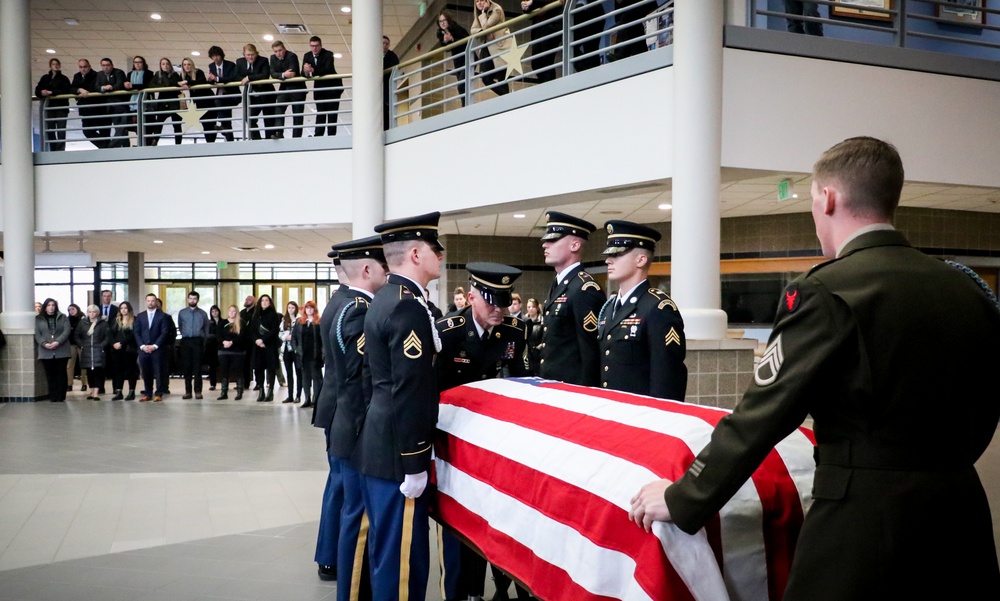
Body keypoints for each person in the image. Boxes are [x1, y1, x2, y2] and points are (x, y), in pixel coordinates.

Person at [630, 137, 1000, 599]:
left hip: (863, 522)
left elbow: (761, 418)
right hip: (962, 513)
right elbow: (988, 405)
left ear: (828, 198)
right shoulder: (969, 291)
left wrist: (683, 497)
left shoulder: (826, 291)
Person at [355, 212, 444, 601]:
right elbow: (409, 389)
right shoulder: (407, 307)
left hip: (381, 441)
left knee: (387, 552)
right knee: (402, 561)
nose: (440, 255)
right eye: (434, 249)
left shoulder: (387, 297)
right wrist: (415, 462)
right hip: (398, 451)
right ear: (415, 254)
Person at [435, 262, 529, 601]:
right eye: (491, 301)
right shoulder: (449, 332)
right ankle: (463, 593)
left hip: (499, 446)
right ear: (471, 296)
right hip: (457, 445)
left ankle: (501, 586)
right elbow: (434, 391)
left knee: (499, 519)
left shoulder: (515, 332)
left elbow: (526, 386)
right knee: (460, 523)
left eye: (503, 302)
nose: (499, 310)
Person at [325, 236, 388, 596]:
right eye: (383, 266)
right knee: (358, 515)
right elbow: (359, 379)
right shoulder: (359, 311)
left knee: (352, 510)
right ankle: (350, 590)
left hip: (344, 421)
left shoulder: (342, 304)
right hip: (356, 426)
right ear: (367, 269)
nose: (388, 272)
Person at [598, 220, 686, 399]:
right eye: (609, 255)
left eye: (617, 254)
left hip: (641, 416)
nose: (608, 260)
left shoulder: (658, 308)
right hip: (610, 410)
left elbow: (667, 378)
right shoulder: (609, 308)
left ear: (641, 260)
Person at [312, 249, 355, 582]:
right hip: (343, 406)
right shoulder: (350, 305)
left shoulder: (337, 301)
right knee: (341, 484)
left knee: (337, 483)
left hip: (334, 404)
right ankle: (330, 556)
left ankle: (329, 554)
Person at [539, 211, 605, 386]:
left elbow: (590, 352)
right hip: (553, 385)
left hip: (572, 389)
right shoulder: (559, 284)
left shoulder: (584, 289)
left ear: (575, 245)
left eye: (553, 240)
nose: (545, 245)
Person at [302, 36, 343, 137]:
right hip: (320, 88)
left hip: (333, 87)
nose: (314, 48)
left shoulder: (328, 54)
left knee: (332, 113)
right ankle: (318, 135)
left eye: (316, 46)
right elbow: (302, 73)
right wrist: (306, 71)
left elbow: (327, 70)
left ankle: (331, 136)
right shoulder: (307, 55)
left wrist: (312, 70)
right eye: (312, 46)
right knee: (320, 112)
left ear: (321, 46)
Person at [134, 293, 170, 402]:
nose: (151, 303)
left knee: (158, 371)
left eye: (153, 301)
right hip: (143, 349)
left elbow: (164, 332)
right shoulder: (140, 316)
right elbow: (136, 332)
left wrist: (154, 346)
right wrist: (142, 346)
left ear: (156, 302)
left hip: (157, 349)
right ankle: (148, 393)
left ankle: (158, 393)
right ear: (146, 302)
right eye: (148, 301)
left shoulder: (163, 316)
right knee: (146, 372)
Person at [470, 0, 510, 96]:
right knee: (486, 78)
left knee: (502, 77)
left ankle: (507, 100)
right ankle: (507, 97)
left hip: (500, 46)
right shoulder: (479, 15)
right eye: (476, 1)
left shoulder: (496, 10)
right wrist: (482, 31)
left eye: (481, 0)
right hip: (487, 47)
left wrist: (484, 14)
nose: (479, 3)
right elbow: (472, 30)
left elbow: (487, 25)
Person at [234, 44, 274, 140]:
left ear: (256, 53)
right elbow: (236, 76)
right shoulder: (240, 62)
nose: (250, 57)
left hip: (266, 93)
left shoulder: (263, 60)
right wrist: (249, 78)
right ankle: (257, 140)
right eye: (248, 55)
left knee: (268, 119)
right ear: (244, 54)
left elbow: (264, 75)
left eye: (253, 54)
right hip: (250, 94)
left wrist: (248, 78)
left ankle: (269, 141)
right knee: (249, 117)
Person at [35, 298, 71, 402]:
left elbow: (66, 331)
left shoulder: (63, 317)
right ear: (45, 307)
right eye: (49, 305)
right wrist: (45, 344)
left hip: (61, 350)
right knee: (50, 374)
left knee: (61, 373)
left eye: (53, 305)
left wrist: (57, 342)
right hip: (46, 351)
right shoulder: (38, 318)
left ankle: (61, 395)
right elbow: (37, 334)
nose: (51, 307)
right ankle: (53, 395)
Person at [269, 40, 306, 139]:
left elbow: (292, 73)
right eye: (275, 51)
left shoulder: (291, 56)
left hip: (297, 88)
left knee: (297, 114)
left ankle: (296, 137)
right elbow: (272, 74)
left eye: (280, 50)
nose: (278, 53)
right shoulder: (272, 58)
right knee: (279, 108)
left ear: (284, 49)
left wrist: (280, 74)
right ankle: (279, 132)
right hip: (284, 87)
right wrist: (283, 74)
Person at [35, 57, 72, 151]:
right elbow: (37, 90)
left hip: (61, 107)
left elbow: (66, 90)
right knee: (50, 129)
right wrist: (42, 92)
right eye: (53, 64)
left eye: (57, 64)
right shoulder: (45, 78)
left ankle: (60, 150)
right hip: (49, 107)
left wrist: (52, 92)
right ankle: (53, 148)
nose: (55, 66)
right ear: (50, 66)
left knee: (60, 130)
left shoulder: (64, 79)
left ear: (59, 66)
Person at [177, 291, 209, 399]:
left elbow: (206, 329)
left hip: (198, 341)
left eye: (194, 299)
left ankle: (198, 391)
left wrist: (202, 340)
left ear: (198, 300)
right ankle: (188, 391)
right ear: (187, 299)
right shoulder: (182, 313)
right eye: (190, 298)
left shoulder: (203, 314)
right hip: (186, 341)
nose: (192, 300)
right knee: (187, 367)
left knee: (197, 368)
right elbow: (181, 327)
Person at [250, 294, 281, 401]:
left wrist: (263, 340)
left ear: (270, 302)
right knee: (258, 369)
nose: (264, 302)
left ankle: (270, 392)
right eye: (262, 300)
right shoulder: (255, 315)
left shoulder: (274, 315)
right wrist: (257, 340)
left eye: (266, 300)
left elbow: (274, 330)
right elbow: (252, 331)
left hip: (270, 345)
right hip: (258, 346)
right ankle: (261, 391)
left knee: (271, 369)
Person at [72, 59, 109, 149]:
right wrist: (79, 89)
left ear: (89, 66)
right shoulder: (77, 76)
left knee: (104, 132)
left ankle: (108, 148)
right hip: (86, 110)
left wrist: (84, 90)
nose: (83, 69)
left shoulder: (96, 75)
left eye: (85, 67)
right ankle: (108, 147)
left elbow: (95, 88)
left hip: (99, 109)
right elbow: (71, 88)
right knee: (88, 132)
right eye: (81, 67)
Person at [520, 0, 561, 83]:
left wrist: (532, 2)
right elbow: (531, 12)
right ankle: (546, 86)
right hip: (538, 27)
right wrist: (525, 7)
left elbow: (547, 3)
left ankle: (550, 88)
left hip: (551, 26)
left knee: (547, 60)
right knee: (535, 63)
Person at [292, 300, 323, 408]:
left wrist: (323, 354)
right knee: (305, 378)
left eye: (311, 308)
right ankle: (307, 398)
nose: (309, 310)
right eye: (307, 308)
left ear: (314, 309)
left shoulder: (319, 322)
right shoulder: (299, 322)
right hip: (303, 355)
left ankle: (316, 399)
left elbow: (322, 340)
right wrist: (296, 349)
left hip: (315, 354)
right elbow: (294, 338)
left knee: (316, 377)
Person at [436, 12, 470, 105]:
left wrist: (452, 40)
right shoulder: (441, 33)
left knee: (461, 85)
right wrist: (446, 41)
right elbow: (445, 48)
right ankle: (466, 105)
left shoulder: (456, 28)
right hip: (458, 60)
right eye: (440, 21)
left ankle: (466, 107)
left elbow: (467, 40)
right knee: (462, 85)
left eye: (444, 20)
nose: (442, 23)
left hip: (467, 58)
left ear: (448, 20)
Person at [77, 305, 110, 401]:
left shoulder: (103, 323)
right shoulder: (82, 323)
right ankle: (91, 390)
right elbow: (77, 335)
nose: (92, 314)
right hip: (87, 350)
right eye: (90, 312)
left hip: (98, 350)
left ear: (97, 313)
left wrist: (101, 345)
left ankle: (96, 392)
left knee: (98, 372)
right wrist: (81, 345)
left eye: (94, 312)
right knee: (89, 372)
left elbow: (107, 337)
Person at [178, 58, 216, 142]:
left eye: (188, 64)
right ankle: (209, 143)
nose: (187, 66)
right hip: (198, 103)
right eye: (184, 65)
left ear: (192, 65)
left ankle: (212, 143)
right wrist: (182, 83)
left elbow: (200, 81)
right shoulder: (183, 76)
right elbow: (177, 82)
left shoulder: (198, 72)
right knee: (205, 125)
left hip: (208, 100)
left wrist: (187, 82)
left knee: (211, 123)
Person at [96, 57, 131, 147]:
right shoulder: (99, 75)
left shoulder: (119, 72)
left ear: (112, 65)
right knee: (106, 130)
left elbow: (119, 85)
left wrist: (110, 87)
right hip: (106, 107)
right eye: (103, 65)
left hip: (119, 106)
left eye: (107, 65)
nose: (106, 67)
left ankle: (114, 146)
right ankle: (111, 147)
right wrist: (103, 88)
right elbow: (96, 86)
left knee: (121, 130)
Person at [108, 301, 139, 400]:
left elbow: (134, 334)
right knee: (118, 371)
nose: (123, 310)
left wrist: (121, 343)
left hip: (129, 349)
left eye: (125, 308)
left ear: (129, 309)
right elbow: (110, 334)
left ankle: (131, 391)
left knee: (131, 371)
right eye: (121, 308)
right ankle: (118, 391)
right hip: (116, 350)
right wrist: (114, 343)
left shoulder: (135, 320)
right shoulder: (115, 320)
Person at [205, 46, 238, 141]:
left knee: (218, 102)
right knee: (226, 118)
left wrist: (217, 79)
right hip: (221, 94)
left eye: (217, 55)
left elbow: (231, 78)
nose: (215, 58)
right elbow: (213, 81)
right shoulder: (211, 66)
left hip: (231, 94)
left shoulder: (230, 65)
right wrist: (210, 79)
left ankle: (224, 127)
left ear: (221, 55)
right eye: (213, 56)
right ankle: (228, 135)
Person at [149, 57, 183, 145]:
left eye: (167, 64)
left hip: (174, 103)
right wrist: (163, 87)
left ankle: (178, 144)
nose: (165, 66)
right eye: (163, 64)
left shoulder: (175, 75)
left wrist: (163, 84)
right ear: (160, 66)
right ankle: (155, 141)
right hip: (162, 103)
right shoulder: (157, 75)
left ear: (170, 65)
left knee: (177, 125)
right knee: (159, 122)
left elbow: (170, 84)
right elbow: (151, 85)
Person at [217, 305, 248, 400]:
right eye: (230, 310)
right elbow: (218, 335)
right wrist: (223, 342)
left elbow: (243, 336)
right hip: (224, 351)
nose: (231, 312)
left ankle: (239, 392)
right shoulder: (222, 323)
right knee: (224, 372)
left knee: (239, 372)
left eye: (234, 311)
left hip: (238, 351)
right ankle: (224, 392)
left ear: (236, 312)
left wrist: (232, 342)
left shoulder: (241, 323)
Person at [570, 0, 607, 72]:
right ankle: (588, 71)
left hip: (591, 10)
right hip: (576, 11)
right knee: (569, 48)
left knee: (591, 48)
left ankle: (591, 73)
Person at [279, 301, 302, 403]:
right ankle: (290, 395)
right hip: (287, 349)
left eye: (293, 308)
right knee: (289, 373)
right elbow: (280, 333)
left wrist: (294, 338)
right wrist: (285, 337)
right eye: (289, 308)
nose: (291, 310)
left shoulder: (300, 320)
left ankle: (298, 395)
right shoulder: (284, 320)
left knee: (299, 372)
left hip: (296, 350)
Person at [66, 303, 87, 392]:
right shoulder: (67, 320)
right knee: (70, 365)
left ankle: (84, 383)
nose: (71, 311)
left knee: (83, 364)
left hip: (81, 344)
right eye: (69, 310)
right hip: (71, 344)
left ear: (77, 309)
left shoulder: (83, 319)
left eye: (73, 309)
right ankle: (69, 384)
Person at [382, 35, 400, 130]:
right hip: (379, 89)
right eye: (383, 43)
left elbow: (395, 67)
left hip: (387, 87)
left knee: (387, 110)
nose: (384, 45)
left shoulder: (392, 56)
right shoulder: (373, 56)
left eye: (386, 44)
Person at [205, 304, 224, 390]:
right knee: (212, 366)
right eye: (212, 311)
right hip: (211, 346)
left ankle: (224, 382)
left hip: (221, 345)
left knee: (222, 365)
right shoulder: (209, 323)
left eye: (216, 311)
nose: (214, 313)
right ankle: (213, 384)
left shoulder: (223, 322)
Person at [240, 295, 257, 389]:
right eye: (246, 299)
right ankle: (245, 383)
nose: (246, 301)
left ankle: (258, 383)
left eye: (249, 300)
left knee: (255, 362)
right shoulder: (242, 312)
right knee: (244, 362)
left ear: (254, 302)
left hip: (253, 341)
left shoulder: (256, 312)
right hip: (243, 341)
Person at [524, 297, 543, 375]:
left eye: (533, 307)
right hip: (527, 353)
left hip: (538, 353)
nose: (531, 309)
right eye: (529, 307)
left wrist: (539, 347)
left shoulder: (542, 321)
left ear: (537, 308)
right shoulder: (524, 321)